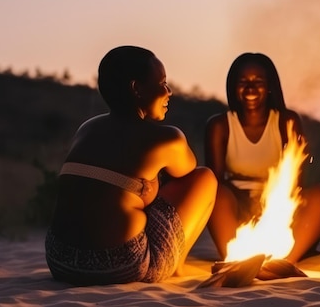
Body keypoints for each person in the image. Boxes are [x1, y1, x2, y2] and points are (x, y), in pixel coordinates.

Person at [45, 46, 217, 285]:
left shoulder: (87, 129)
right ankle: (175, 265)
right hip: (119, 264)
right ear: (137, 88)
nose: (169, 92)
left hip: (59, 261)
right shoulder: (168, 138)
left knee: (135, 188)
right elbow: (187, 171)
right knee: (205, 178)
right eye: (162, 82)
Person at [204, 52, 320, 277]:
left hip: (277, 208)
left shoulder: (287, 121)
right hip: (237, 209)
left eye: (258, 82)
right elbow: (214, 183)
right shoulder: (220, 125)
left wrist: (270, 208)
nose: (251, 89)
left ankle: (283, 263)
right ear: (233, 87)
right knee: (215, 192)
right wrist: (249, 207)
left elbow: (295, 185)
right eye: (243, 82)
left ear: (270, 87)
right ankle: (236, 259)